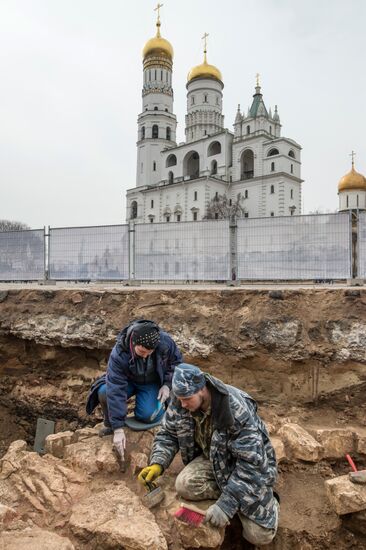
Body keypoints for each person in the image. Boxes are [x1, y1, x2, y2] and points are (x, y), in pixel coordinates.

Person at [138, 363, 279, 546]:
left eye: (187, 399)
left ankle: (268, 500)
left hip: (248, 467)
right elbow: (168, 433)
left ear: (202, 390)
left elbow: (251, 464)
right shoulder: (181, 399)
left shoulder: (235, 410)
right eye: (179, 399)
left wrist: (225, 506)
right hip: (215, 459)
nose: (182, 404)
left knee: (259, 536)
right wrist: (158, 462)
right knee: (184, 485)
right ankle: (233, 495)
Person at [86, 319, 182, 461]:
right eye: (142, 351)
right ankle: (110, 424)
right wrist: (118, 428)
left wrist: (167, 385)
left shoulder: (165, 342)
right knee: (104, 392)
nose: (145, 356)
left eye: (150, 353)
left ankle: (161, 408)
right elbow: (115, 388)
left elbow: (176, 363)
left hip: (151, 382)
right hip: (128, 381)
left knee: (147, 416)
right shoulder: (119, 353)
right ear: (133, 342)